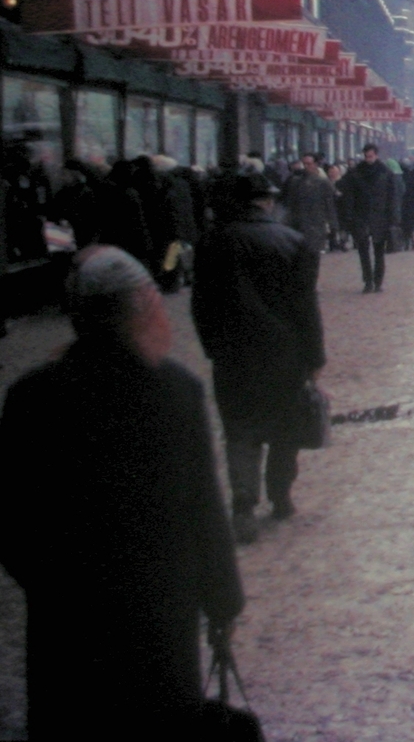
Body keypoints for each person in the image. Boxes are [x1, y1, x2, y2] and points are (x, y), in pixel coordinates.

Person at [0, 245, 244, 736]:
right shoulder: (175, 391)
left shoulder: (34, 394)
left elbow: (12, 519)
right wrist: (223, 601)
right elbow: (202, 509)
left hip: (68, 621)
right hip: (159, 611)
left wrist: (53, 583)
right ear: (142, 307)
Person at [192, 172, 326, 544]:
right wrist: (315, 356)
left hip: (233, 355)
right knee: (286, 429)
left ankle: (243, 503)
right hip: (285, 356)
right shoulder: (294, 242)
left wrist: (213, 347)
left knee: (240, 430)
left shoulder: (212, 243)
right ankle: (281, 496)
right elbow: (306, 308)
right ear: (267, 202)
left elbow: (201, 305)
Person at [342, 143, 400, 292]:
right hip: (360, 216)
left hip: (380, 217)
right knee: (363, 251)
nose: (368, 159)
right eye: (366, 156)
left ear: (376, 155)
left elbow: (392, 197)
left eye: (371, 156)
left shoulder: (385, 173)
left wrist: (393, 218)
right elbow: (349, 197)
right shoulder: (355, 174)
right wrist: (349, 217)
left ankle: (378, 281)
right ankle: (368, 281)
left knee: (379, 251)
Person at [283, 151, 338, 252]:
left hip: (316, 225)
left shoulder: (323, 183)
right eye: (304, 164)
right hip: (298, 224)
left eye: (309, 163)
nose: (306, 166)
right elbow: (290, 204)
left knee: (313, 254)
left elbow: (330, 205)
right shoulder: (295, 182)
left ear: (316, 164)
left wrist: (333, 224)